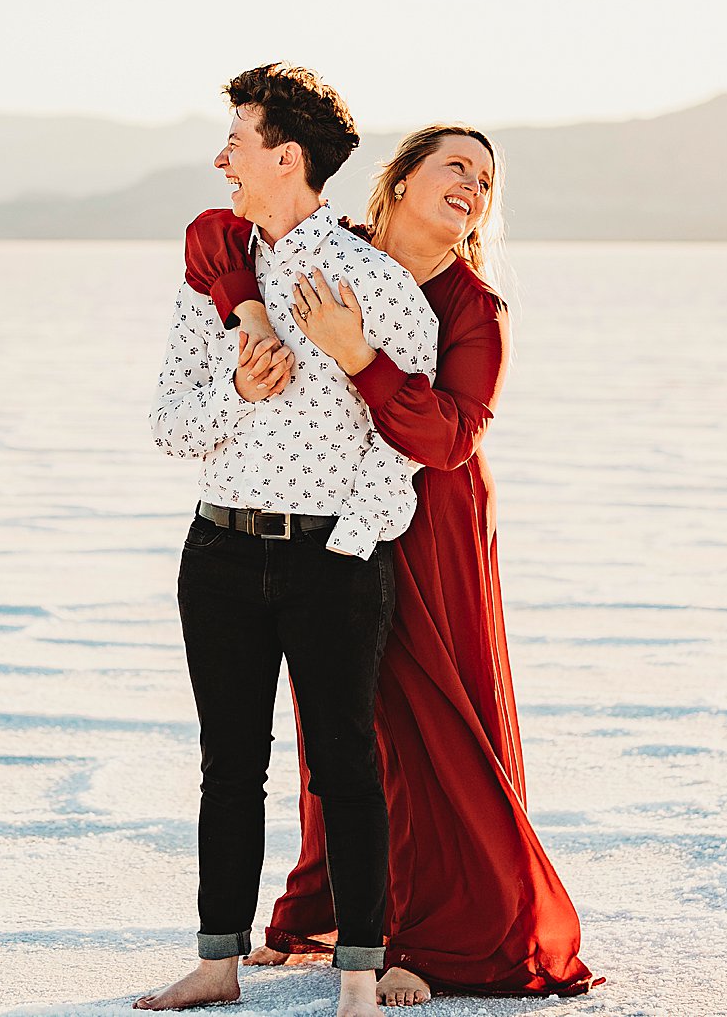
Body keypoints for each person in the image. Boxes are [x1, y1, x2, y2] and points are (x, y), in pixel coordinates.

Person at [181, 124, 598, 1004]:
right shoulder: (342, 254)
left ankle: (420, 936)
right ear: (401, 179)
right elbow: (214, 236)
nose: (474, 187)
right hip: (323, 519)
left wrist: (357, 356)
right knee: (337, 726)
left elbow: (449, 436)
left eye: (487, 180)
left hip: (433, 524)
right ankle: (334, 908)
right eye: (457, 166)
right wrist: (250, 313)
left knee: (422, 719)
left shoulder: (477, 309)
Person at [139, 64, 439, 1017]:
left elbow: (408, 443)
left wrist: (349, 547)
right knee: (228, 763)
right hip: (218, 556)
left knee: (347, 764)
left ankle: (357, 974)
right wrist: (240, 389)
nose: (222, 155)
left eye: (238, 135)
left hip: (334, 562)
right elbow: (168, 422)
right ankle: (217, 962)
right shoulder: (214, 278)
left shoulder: (378, 287)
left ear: (286, 156)